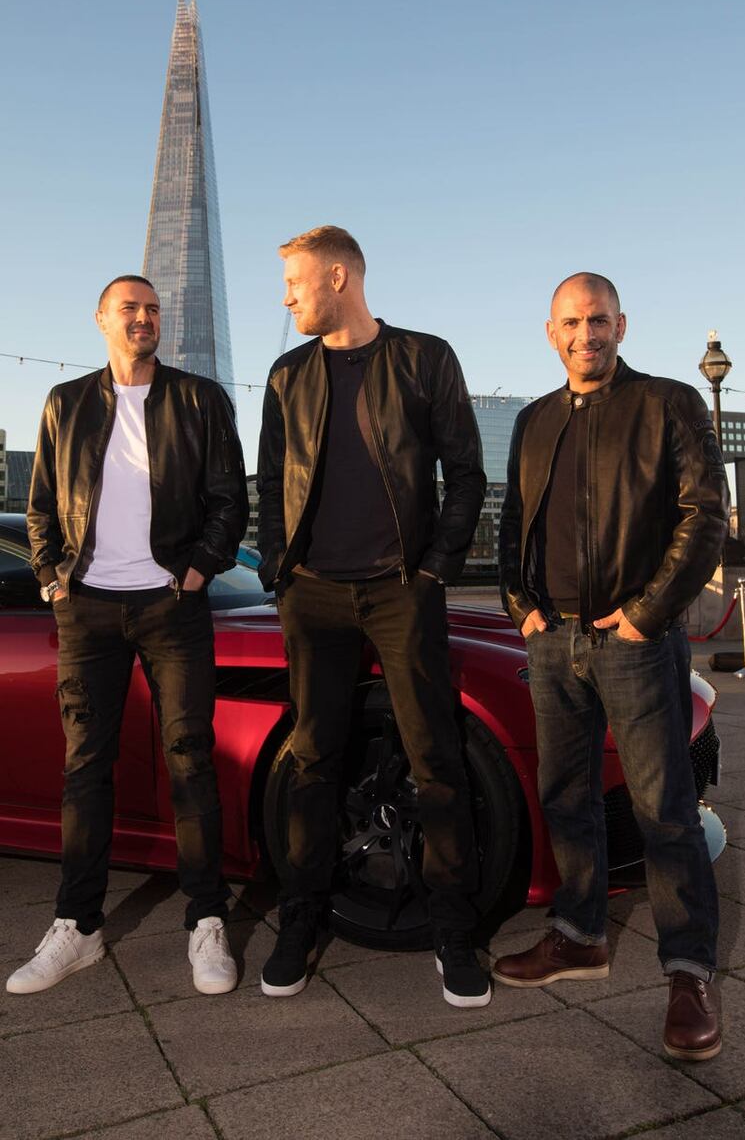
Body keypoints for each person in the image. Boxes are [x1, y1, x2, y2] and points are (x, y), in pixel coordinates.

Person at [495, 272, 729, 1060]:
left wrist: (645, 615)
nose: (585, 334)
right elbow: (511, 526)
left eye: (598, 320)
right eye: (571, 321)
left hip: (634, 639)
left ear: (621, 324)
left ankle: (690, 970)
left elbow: (705, 518)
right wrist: (516, 603)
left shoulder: (668, 404)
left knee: (665, 810)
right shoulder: (532, 421)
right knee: (566, 797)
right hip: (551, 638)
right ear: (550, 330)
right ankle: (579, 933)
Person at [257, 225, 489, 1007]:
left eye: (293, 282)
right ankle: (300, 917)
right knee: (311, 760)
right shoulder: (287, 375)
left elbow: (465, 473)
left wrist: (433, 571)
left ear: (337, 276)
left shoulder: (425, 358)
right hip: (312, 593)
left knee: (437, 762)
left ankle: (453, 930)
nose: (286, 297)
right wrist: (277, 572)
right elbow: (270, 485)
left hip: (400, 589)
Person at [7, 275, 249, 997]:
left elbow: (230, 497)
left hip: (171, 603)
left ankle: (206, 919)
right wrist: (53, 580)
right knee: (86, 766)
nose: (143, 318)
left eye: (152, 309)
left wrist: (202, 568)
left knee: (190, 761)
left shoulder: (199, 398)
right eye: (129, 309)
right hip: (87, 607)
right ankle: (77, 926)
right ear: (101, 320)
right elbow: (42, 502)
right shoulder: (66, 401)